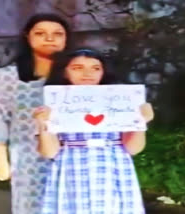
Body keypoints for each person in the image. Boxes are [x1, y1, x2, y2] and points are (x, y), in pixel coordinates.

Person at [0, 13, 71, 214]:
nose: (49, 38)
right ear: (28, 37)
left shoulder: (77, 73)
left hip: (73, 157)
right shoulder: (8, 76)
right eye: (41, 33)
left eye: (57, 34)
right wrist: (1, 160)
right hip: (28, 158)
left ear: (66, 38)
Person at [33, 48, 154, 213]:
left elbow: (133, 148)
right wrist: (44, 125)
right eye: (78, 68)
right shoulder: (54, 103)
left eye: (95, 68)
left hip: (113, 168)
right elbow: (49, 152)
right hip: (71, 168)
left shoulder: (120, 100)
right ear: (65, 72)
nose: (87, 73)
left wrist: (141, 122)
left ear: (103, 72)